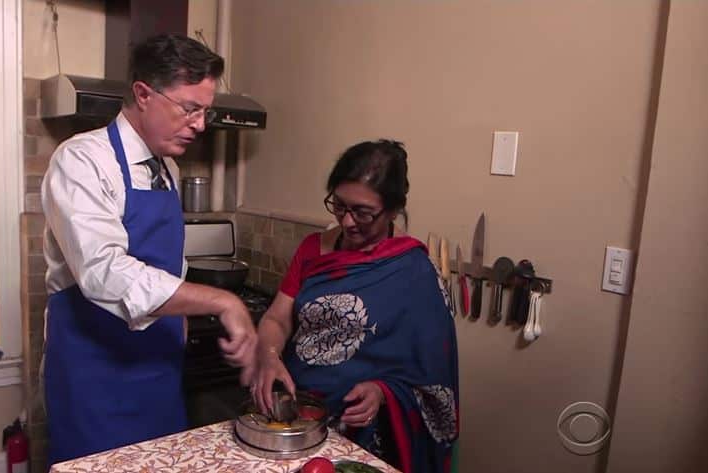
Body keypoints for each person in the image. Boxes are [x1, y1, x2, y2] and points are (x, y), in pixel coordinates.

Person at [40, 34, 256, 465]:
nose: (199, 124)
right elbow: (104, 270)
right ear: (142, 93)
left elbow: (165, 264)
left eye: (205, 111)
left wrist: (181, 324)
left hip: (157, 371)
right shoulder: (81, 161)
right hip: (94, 378)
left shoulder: (168, 169)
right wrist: (221, 300)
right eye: (189, 108)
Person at [249, 140, 459, 473]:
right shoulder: (313, 249)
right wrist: (269, 356)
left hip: (369, 437)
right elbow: (277, 317)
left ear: (392, 210)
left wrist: (382, 392)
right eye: (339, 205)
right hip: (300, 418)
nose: (346, 222)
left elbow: (433, 376)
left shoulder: (414, 271)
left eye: (362, 212)